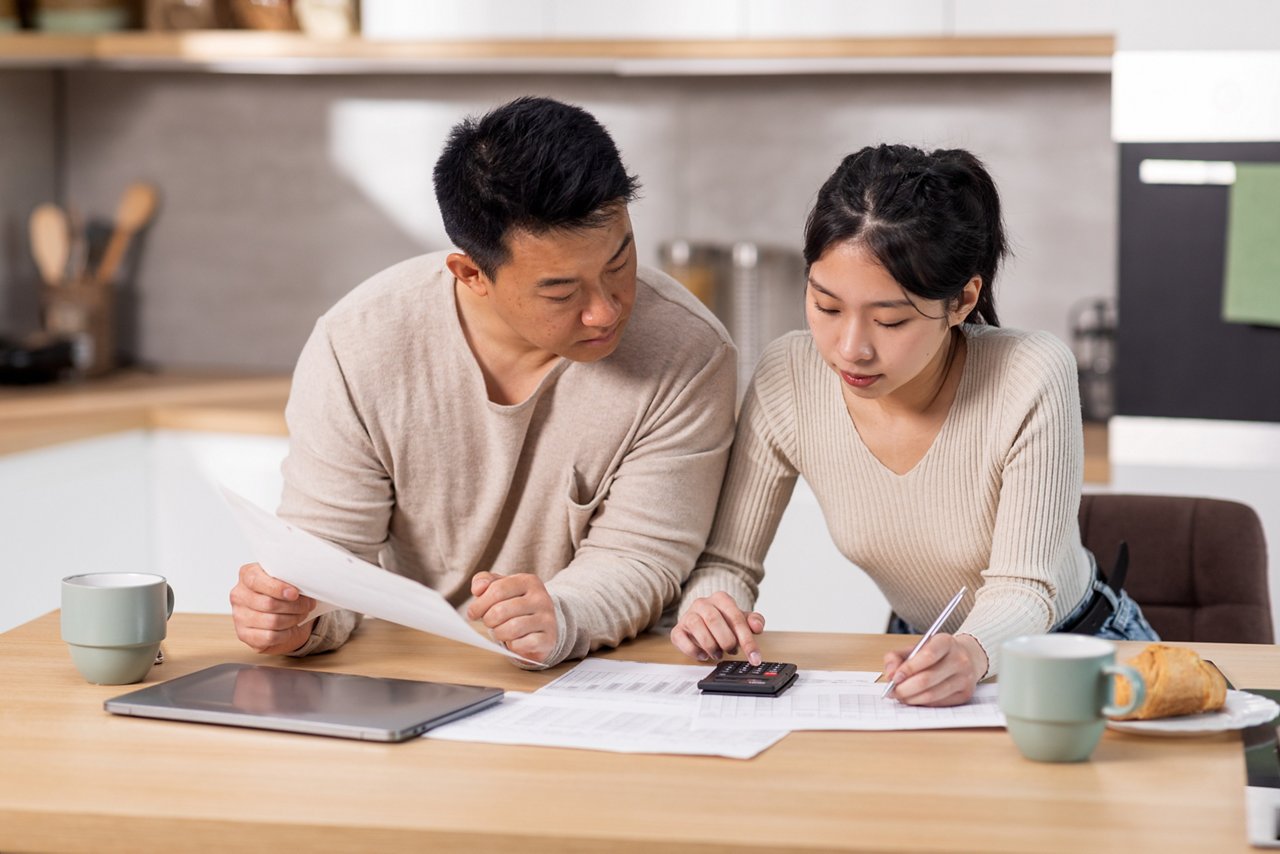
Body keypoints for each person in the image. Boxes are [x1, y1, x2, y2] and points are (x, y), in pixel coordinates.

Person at [230, 96, 736, 668]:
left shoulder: (688, 349)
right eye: (561, 292)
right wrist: (295, 615)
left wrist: (562, 616)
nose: (606, 309)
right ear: (472, 274)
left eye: (619, 263)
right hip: (415, 669)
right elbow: (328, 560)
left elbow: (644, 556)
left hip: (606, 672)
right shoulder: (360, 344)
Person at [671, 144, 1157, 706]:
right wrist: (710, 605)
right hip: (923, 657)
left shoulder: (1030, 374)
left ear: (962, 301)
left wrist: (972, 653)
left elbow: (1024, 588)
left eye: (890, 320)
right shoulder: (789, 376)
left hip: (1073, 650)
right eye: (827, 307)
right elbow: (727, 561)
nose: (850, 349)